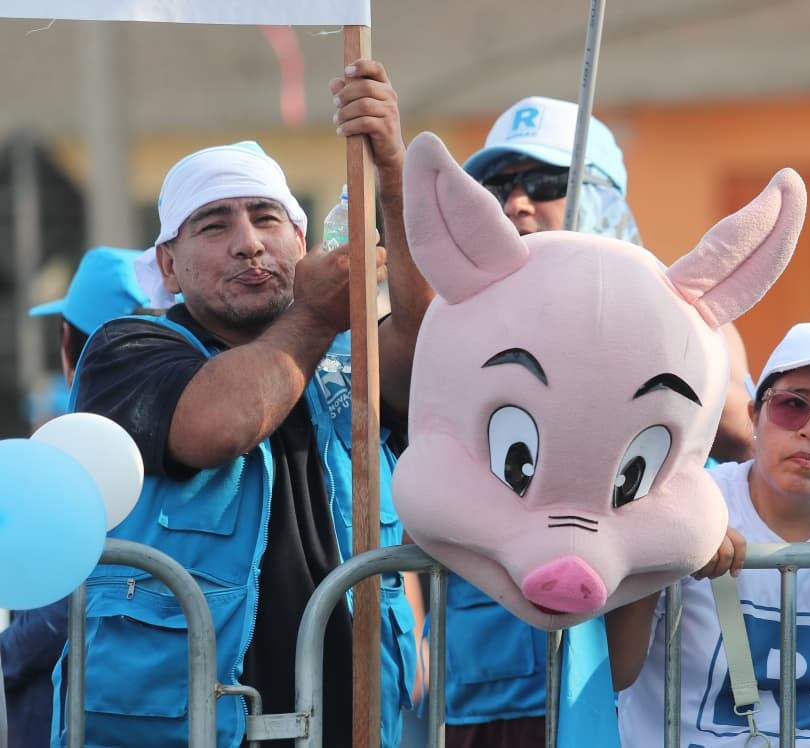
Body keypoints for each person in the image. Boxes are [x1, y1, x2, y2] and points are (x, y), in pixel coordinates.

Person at [50, 60, 429, 748]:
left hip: (349, 725)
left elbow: (435, 346)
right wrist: (317, 316)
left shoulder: (354, 361)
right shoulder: (126, 349)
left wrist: (394, 180)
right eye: (214, 226)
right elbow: (213, 427)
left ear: (304, 241)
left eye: (265, 219)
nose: (248, 242)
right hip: (182, 728)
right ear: (168, 266)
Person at [418, 94, 757, 747]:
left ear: (606, 198)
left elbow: (738, 433)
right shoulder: (458, 320)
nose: (517, 202)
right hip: (475, 687)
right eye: (497, 187)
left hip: (607, 683)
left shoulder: (680, 317)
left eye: (545, 183)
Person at [610, 318, 810, 746]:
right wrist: (671, 548)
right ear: (754, 415)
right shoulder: (682, 501)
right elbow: (616, 672)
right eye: (792, 405)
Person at [1, 247, 149, 748]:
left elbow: (59, 612)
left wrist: (5, 652)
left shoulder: (70, 459)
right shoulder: (180, 439)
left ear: (68, 343)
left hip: (64, 719)